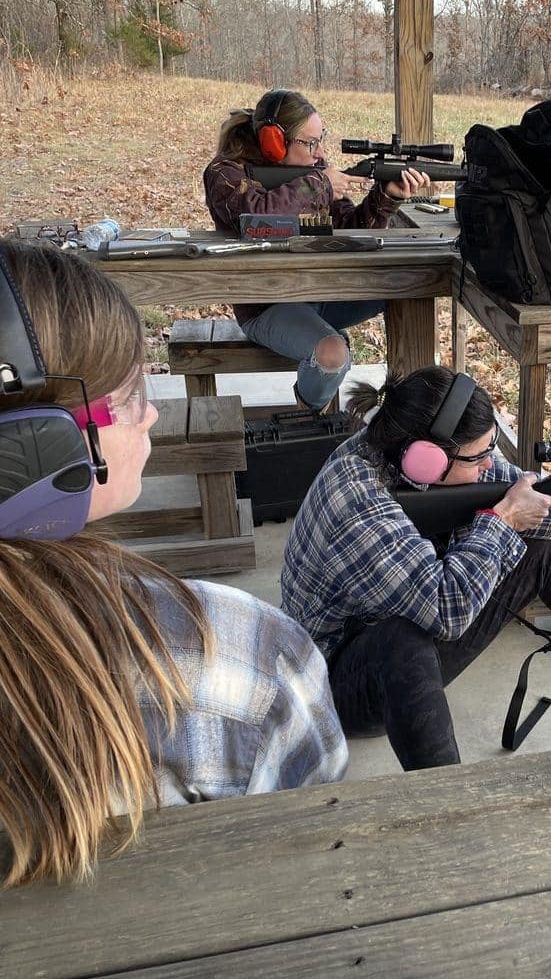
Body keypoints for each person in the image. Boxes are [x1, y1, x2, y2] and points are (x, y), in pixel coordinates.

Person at [0, 242, 348, 889]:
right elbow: (314, 846)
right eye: (132, 394)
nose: (152, 412)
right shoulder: (233, 652)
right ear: (37, 447)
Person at [281, 366, 551, 772]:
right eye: (479, 456)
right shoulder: (356, 499)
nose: (491, 465)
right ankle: (454, 801)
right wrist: (503, 520)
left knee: (538, 546)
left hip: (394, 623)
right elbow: (446, 611)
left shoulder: (403, 455)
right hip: (334, 681)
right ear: (427, 459)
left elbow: (547, 507)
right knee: (401, 642)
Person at [203, 88, 430, 410]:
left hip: (323, 289)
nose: (319, 152)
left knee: (408, 282)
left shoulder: (313, 168)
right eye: (309, 143)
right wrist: (319, 184)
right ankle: (305, 423)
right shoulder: (225, 173)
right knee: (332, 354)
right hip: (266, 303)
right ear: (273, 140)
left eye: (320, 139)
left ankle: (411, 410)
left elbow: (353, 231)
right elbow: (254, 218)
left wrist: (386, 198)